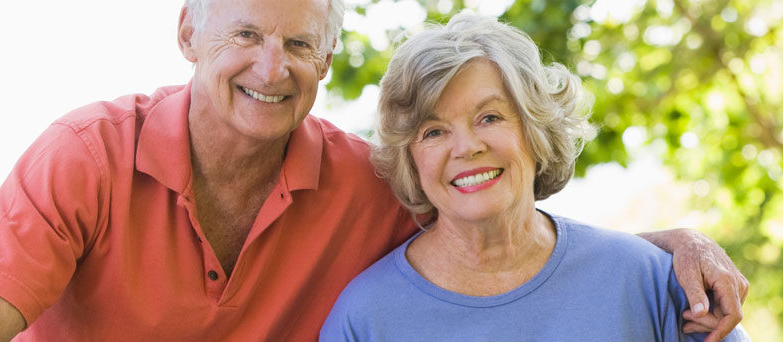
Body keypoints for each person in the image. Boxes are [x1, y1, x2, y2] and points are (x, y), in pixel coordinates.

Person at [0, 0, 746, 340]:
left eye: (299, 43)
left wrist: (665, 249)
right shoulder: (85, 156)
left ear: (327, 58)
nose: (272, 64)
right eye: (246, 34)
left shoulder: (363, 182)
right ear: (189, 32)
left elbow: (501, 239)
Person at [321, 13, 749, 342]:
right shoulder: (366, 318)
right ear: (412, 159)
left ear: (535, 129)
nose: (466, 147)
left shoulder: (653, 282)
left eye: (489, 117)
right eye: (434, 132)